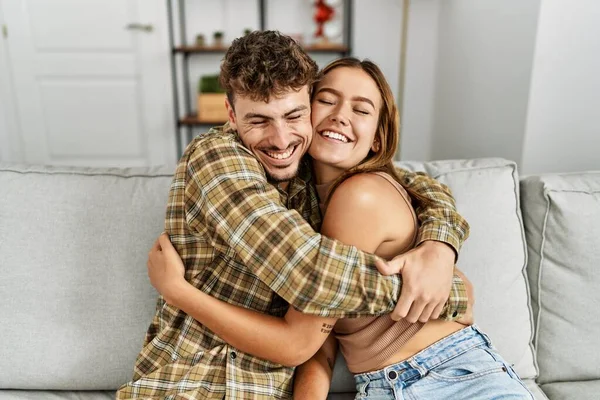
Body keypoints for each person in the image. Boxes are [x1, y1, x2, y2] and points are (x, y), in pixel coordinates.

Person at [147, 58, 534, 399]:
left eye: (361, 109)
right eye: (327, 100)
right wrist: (447, 264)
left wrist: (443, 258)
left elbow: (304, 331)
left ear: (378, 136)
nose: (339, 116)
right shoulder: (305, 200)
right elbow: (322, 335)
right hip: (388, 383)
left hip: (449, 378)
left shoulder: (359, 195)